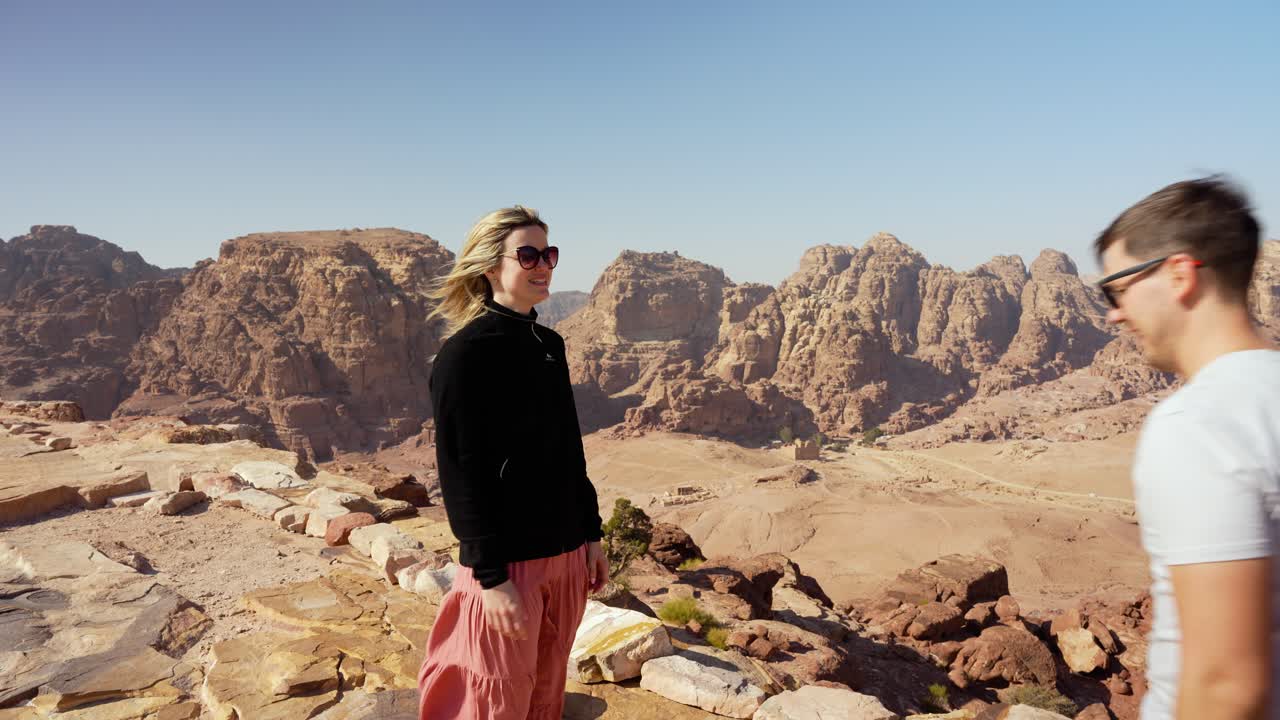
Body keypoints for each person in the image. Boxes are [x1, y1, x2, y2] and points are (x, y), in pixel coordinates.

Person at [1094, 177, 1277, 720]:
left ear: (1178, 274)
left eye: (1117, 289)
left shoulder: (1199, 424)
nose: (1113, 313)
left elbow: (1225, 682)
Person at [418, 205, 609, 720]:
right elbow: (461, 472)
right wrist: (490, 576)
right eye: (527, 254)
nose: (542, 265)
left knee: (546, 689)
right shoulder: (464, 355)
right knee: (492, 697)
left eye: (549, 254)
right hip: (511, 564)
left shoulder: (549, 344)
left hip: (567, 556)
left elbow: (570, 451)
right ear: (488, 266)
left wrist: (591, 535)